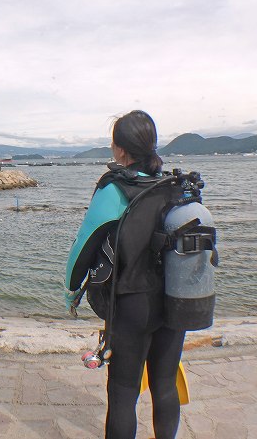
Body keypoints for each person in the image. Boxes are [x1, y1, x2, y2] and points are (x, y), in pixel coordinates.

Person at [67, 111, 185, 439]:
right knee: (165, 384)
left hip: (132, 305)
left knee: (123, 393)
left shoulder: (114, 188)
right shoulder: (174, 185)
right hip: (176, 297)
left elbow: (83, 246)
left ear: (120, 150)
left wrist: (70, 291)